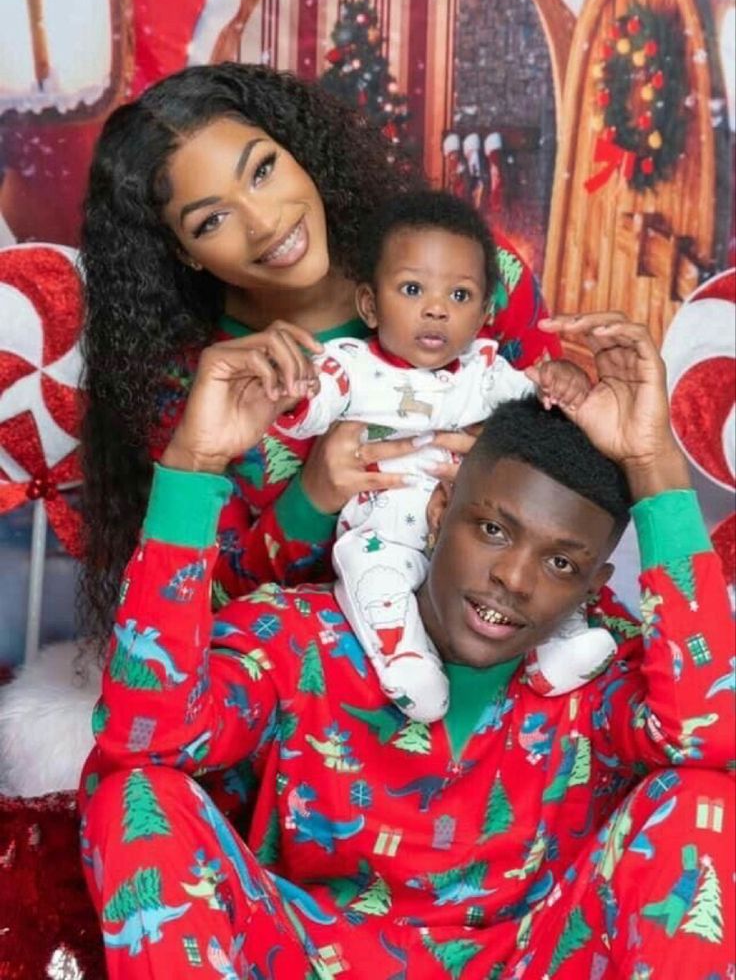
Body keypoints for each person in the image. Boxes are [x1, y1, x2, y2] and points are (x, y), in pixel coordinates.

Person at [79, 311, 734, 980]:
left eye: (561, 564)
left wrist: (653, 465)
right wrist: (194, 464)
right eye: (494, 531)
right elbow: (143, 737)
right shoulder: (297, 637)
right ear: (438, 507)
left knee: (701, 799)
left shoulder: (600, 676)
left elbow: (711, 738)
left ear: (595, 585)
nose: (513, 578)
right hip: (311, 959)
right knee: (137, 793)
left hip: (529, 962)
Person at [79, 63, 561, 657]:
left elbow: (583, 465)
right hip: (314, 698)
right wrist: (310, 498)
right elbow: (192, 618)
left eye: (262, 170)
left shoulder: (469, 279)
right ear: (185, 253)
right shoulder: (193, 386)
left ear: (298, 149)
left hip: (510, 664)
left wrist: (507, 458)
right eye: (212, 220)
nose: (264, 223)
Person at [276, 190, 612, 722]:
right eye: (413, 289)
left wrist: (560, 382)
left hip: (471, 528)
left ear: (483, 315)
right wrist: (294, 393)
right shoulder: (353, 365)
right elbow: (314, 404)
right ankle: (402, 656)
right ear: (370, 304)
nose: (436, 308)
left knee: (540, 560)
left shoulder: (483, 368)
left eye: (459, 296)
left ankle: (562, 646)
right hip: (387, 517)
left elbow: (535, 411)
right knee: (375, 571)